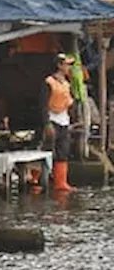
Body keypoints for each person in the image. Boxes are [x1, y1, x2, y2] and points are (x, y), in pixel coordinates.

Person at [41, 53, 77, 192]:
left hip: (64, 119)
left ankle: (61, 182)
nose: (68, 67)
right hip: (52, 118)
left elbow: (70, 102)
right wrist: (46, 123)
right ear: (59, 65)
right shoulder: (49, 82)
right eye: (66, 64)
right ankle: (37, 180)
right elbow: (43, 104)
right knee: (47, 149)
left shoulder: (67, 83)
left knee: (63, 150)